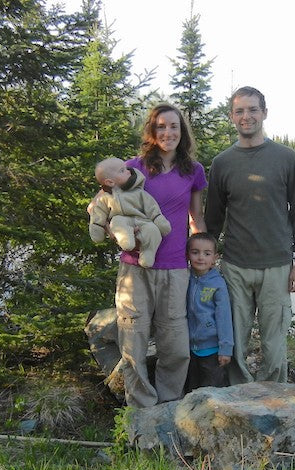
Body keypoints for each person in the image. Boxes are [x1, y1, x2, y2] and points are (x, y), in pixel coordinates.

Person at [205, 86, 295, 385]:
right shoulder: (222, 163)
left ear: (264, 112)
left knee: (274, 341)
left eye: (252, 109)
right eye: (239, 111)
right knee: (235, 338)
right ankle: (240, 395)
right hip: (235, 265)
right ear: (231, 117)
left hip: (277, 265)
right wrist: (206, 261)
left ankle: (275, 394)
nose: (246, 116)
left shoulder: (286, 158)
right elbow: (213, 218)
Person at [116, 104, 207, 408]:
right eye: (161, 127)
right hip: (135, 269)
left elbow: (196, 218)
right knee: (134, 341)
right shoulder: (133, 168)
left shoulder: (193, 171)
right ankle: (140, 411)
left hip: (175, 268)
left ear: (183, 132)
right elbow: (104, 207)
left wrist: (204, 256)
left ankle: (168, 407)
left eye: (174, 127)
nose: (168, 133)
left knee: (176, 346)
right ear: (152, 132)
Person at [88, 157, 171, 268]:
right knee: (117, 223)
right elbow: (98, 213)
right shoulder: (107, 197)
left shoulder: (139, 193)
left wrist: (159, 221)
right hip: (120, 219)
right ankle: (125, 239)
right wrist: (97, 227)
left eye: (126, 168)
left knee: (153, 231)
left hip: (142, 220)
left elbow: (152, 208)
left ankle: (148, 253)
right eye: (122, 171)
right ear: (110, 182)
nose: (128, 171)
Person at [184, 232, 233, 393]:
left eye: (207, 253)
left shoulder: (217, 284)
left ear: (215, 258)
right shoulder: (185, 278)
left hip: (212, 349)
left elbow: (224, 317)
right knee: (192, 387)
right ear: (188, 254)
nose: (200, 258)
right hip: (189, 347)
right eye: (195, 252)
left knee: (212, 389)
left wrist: (225, 349)